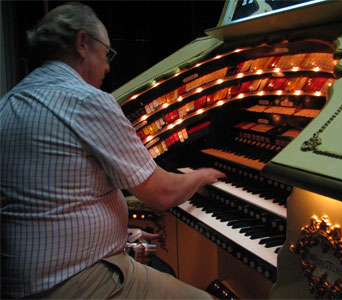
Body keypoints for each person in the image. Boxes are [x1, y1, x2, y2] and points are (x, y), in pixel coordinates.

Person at [0, 2, 225, 299]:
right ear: (83, 44)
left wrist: (124, 237)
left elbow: (50, 202)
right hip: (73, 280)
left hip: (26, 280)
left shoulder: (9, 103)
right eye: (106, 54)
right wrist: (202, 175)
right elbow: (162, 193)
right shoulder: (85, 101)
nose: (107, 67)